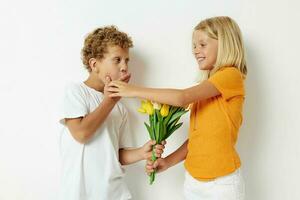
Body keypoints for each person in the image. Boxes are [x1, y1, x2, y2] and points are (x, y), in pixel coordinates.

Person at [108, 16, 247, 200]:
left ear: (225, 44)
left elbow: (182, 98)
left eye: (202, 44)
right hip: (193, 182)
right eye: (194, 46)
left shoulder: (231, 75)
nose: (196, 51)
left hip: (221, 184)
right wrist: (167, 162)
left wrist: (133, 91)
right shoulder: (208, 87)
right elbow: (197, 139)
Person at [58, 26, 165, 200]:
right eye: (117, 60)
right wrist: (110, 101)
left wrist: (141, 152)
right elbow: (81, 133)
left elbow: (117, 154)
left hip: (115, 193)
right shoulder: (76, 92)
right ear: (94, 64)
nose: (124, 67)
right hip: (80, 193)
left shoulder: (120, 108)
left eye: (126, 60)